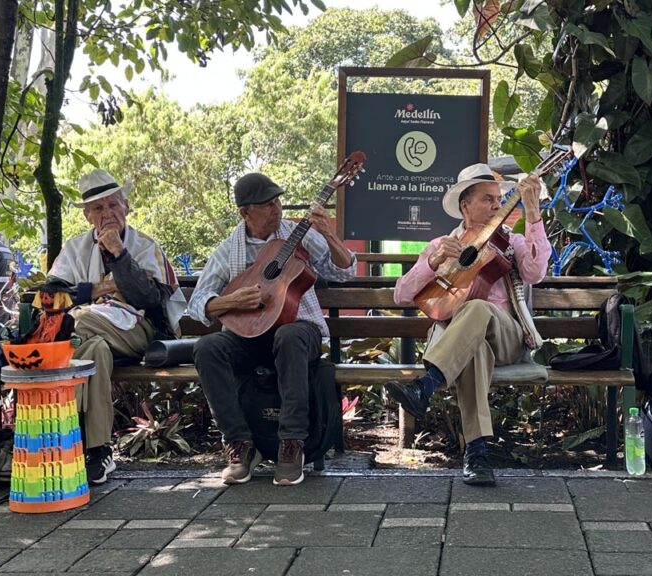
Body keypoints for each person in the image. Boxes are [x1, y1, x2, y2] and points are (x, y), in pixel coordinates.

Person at [189, 173, 356, 486]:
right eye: (267, 205)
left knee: (288, 335)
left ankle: (292, 445)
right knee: (207, 348)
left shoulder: (299, 233)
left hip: (299, 332)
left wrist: (329, 235)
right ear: (245, 213)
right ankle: (240, 445)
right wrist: (229, 301)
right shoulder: (229, 249)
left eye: (278, 200)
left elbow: (346, 273)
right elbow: (198, 303)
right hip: (249, 337)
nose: (277, 208)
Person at [387, 163, 549, 486]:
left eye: (497, 199)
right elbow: (401, 295)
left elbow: (535, 273)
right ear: (465, 205)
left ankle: (427, 384)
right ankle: (476, 454)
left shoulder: (508, 241)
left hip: (507, 337)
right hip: (468, 346)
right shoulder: (443, 245)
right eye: (488, 199)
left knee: (477, 308)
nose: (496, 205)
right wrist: (432, 263)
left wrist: (533, 215)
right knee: (474, 351)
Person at [45, 169, 186, 484]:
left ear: (126, 207)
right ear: (87, 216)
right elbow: (50, 295)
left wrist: (120, 255)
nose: (106, 213)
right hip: (97, 336)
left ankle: (65, 434)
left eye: (113, 205)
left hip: (142, 333)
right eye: (98, 208)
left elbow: (148, 298)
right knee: (93, 350)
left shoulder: (145, 247)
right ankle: (97, 451)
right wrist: (99, 290)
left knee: (74, 321)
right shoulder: (75, 249)